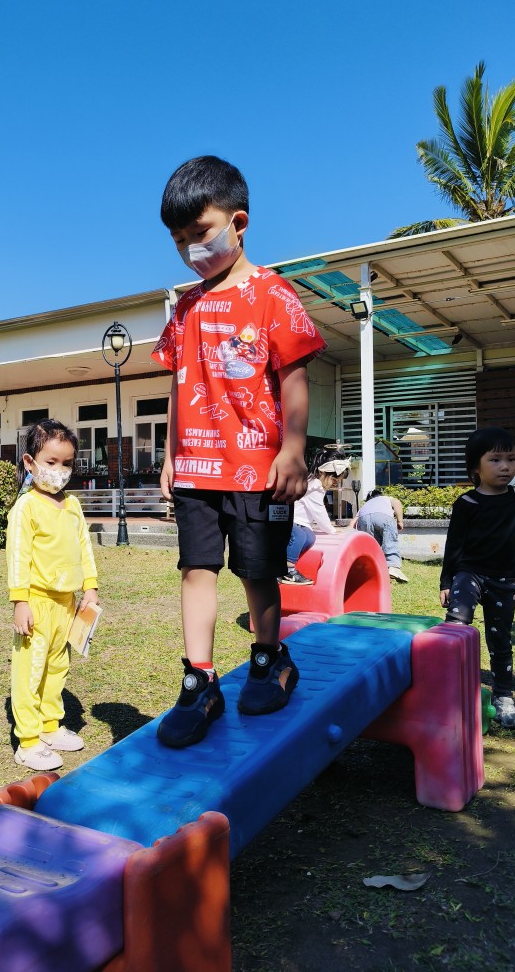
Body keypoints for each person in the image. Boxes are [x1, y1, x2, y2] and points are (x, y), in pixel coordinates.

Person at [152, 155, 327, 748]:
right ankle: (199, 680)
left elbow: (295, 377)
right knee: (195, 568)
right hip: (196, 469)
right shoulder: (185, 308)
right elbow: (177, 383)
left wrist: (293, 450)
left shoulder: (273, 294)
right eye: (179, 240)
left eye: (199, 232)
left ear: (238, 222)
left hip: (257, 469)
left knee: (258, 572)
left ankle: (269, 659)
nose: (190, 249)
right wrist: (171, 455)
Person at [6, 419, 99, 770]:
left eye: (67, 463)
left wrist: (90, 588)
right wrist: (20, 601)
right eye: (51, 461)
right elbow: (18, 557)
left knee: (58, 668)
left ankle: (49, 726)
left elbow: (84, 546)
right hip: (37, 602)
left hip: (67, 603)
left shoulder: (72, 505)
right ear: (30, 462)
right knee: (30, 672)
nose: (59, 470)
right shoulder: (26, 507)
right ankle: (28, 741)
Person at [440, 427, 515, 729]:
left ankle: (504, 697)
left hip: (505, 580)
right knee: (456, 624)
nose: (505, 466)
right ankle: (450, 689)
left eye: (511, 459)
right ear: (475, 467)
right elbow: (454, 546)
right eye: (495, 459)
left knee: (501, 639)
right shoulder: (467, 503)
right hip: (469, 573)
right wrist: (446, 581)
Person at [281, 449, 350, 585]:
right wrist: (331, 529)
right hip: (289, 520)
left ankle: (286, 558)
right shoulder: (314, 486)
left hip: (299, 522)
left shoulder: (316, 485)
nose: (335, 483)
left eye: (338, 481)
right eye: (334, 479)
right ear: (322, 472)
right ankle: (287, 570)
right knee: (299, 536)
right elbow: (318, 511)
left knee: (310, 537)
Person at [351, 489, 409, 582]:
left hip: (364, 519)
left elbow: (353, 522)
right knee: (390, 541)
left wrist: (349, 533)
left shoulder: (366, 505)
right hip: (383, 516)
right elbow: (397, 503)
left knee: (371, 546)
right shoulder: (386, 498)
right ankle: (393, 566)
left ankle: (369, 569)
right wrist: (400, 521)